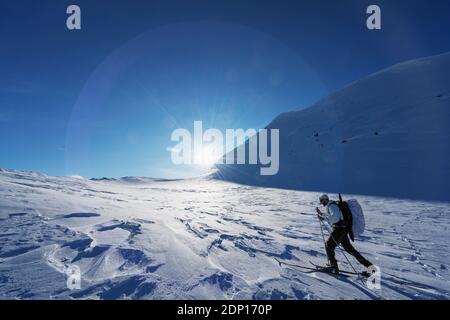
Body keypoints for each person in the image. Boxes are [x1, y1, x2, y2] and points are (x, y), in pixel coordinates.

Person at [316, 194, 373, 274]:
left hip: (339, 230)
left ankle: (333, 267)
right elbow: (333, 215)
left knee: (329, 245)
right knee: (350, 250)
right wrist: (322, 214)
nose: (321, 203)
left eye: (322, 201)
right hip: (343, 230)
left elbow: (336, 217)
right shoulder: (332, 205)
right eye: (321, 201)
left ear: (326, 199)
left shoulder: (332, 205)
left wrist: (324, 218)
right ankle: (370, 267)